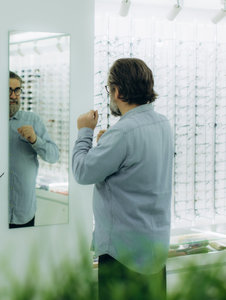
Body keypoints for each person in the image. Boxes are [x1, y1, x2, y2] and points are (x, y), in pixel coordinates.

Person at [72, 58, 173, 300]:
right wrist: (106, 146)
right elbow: (134, 170)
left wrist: (84, 131)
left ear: (117, 91)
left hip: (123, 256)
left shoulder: (122, 132)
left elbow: (82, 172)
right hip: (155, 251)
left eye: (109, 90)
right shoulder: (163, 124)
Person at [9, 71, 59, 228]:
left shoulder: (33, 120)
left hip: (23, 212)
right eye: (8, 90)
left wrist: (35, 140)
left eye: (17, 90)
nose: (13, 95)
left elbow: (53, 156)